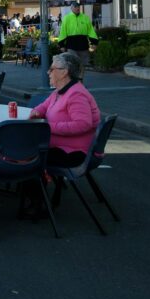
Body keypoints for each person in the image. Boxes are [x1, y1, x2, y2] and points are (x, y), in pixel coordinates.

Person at [27, 52, 101, 217]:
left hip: (73, 152)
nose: (48, 72)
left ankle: (40, 204)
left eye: (52, 68)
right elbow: (44, 107)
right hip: (62, 147)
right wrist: (36, 112)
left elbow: (83, 124)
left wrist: (49, 127)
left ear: (64, 72)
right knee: (28, 154)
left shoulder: (76, 94)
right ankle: (37, 200)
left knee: (28, 158)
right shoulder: (60, 92)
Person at [57, 1, 98, 79]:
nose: (77, 8)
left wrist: (94, 43)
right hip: (71, 45)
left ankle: (80, 79)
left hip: (83, 44)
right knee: (73, 63)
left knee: (83, 64)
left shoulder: (85, 17)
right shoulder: (66, 18)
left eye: (78, 7)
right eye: (75, 7)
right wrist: (61, 45)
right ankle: (73, 81)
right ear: (71, 8)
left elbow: (91, 31)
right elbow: (63, 32)